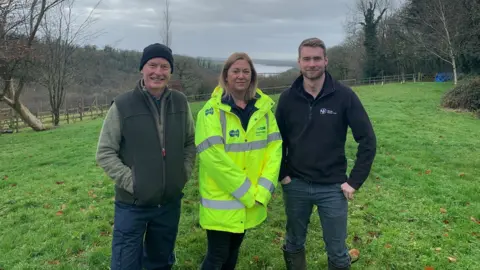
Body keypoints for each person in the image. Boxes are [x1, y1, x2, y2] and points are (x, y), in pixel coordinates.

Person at [275, 37, 377, 270]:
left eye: (317, 58)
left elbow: (368, 140)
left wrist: (354, 181)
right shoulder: (288, 98)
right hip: (296, 184)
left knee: (338, 251)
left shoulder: (344, 96)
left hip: (333, 187)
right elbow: (276, 141)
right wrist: (283, 174)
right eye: (307, 59)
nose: (312, 64)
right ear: (299, 62)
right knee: (293, 243)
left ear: (326, 60)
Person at [95, 43, 196, 270]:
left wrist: (182, 173)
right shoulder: (122, 105)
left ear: (170, 72)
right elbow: (104, 152)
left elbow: (190, 142)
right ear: (142, 68)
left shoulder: (180, 103)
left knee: (160, 263)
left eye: (164, 66)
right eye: (152, 65)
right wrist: (133, 182)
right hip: (133, 205)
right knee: (125, 265)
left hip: (169, 204)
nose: (158, 72)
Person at [195, 52, 283, 269]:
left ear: (252, 76)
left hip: (251, 199)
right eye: (236, 71)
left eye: (246, 71)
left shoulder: (263, 111)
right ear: (226, 76)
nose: (241, 76)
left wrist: (262, 191)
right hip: (222, 201)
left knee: (232, 253)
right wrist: (246, 192)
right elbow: (213, 159)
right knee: (217, 256)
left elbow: (274, 151)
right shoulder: (210, 112)